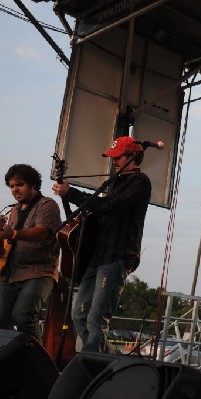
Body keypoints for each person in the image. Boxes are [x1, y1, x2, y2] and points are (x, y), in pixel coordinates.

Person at [52, 136, 152, 353]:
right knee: (79, 315)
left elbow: (112, 206)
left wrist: (72, 193)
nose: (114, 160)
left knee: (96, 319)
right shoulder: (115, 181)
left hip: (117, 256)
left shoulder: (140, 182)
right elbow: (100, 211)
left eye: (118, 156)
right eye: (113, 157)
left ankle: (96, 364)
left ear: (132, 156)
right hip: (97, 256)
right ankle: (105, 359)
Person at [0, 164, 61, 340]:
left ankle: (38, 364)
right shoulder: (14, 211)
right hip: (11, 274)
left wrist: (12, 233)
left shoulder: (47, 205)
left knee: (22, 316)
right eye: (11, 186)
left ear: (33, 184)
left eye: (19, 184)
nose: (15, 189)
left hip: (39, 273)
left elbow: (42, 232)